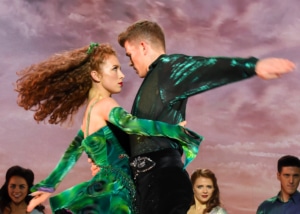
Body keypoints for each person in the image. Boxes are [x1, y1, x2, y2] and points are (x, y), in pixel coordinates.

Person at [107, 19, 295, 214]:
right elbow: (137, 139)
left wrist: (252, 66)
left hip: (164, 184)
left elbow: (204, 68)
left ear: (143, 46)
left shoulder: (167, 69)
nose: (129, 62)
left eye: (130, 54)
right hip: (148, 188)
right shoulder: (153, 84)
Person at [15, 42, 202, 214]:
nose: (122, 75)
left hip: (105, 187)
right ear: (96, 75)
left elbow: (70, 156)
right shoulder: (106, 105)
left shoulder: (88, 116)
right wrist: (174, 130)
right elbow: (133, 125)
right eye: (115, 69)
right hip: (119, 191)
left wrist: (49, 186)